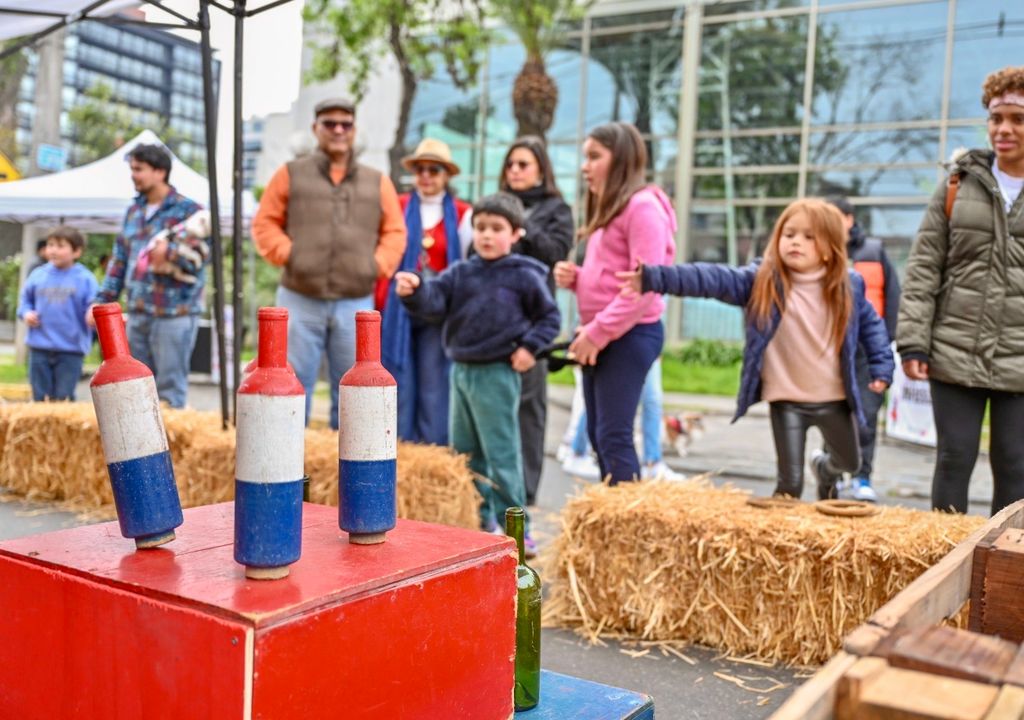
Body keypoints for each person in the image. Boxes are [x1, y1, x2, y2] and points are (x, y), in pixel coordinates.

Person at [618, 198, 894, 500]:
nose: (795, 243)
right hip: (786, 399)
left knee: (848, 463)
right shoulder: (762, 281)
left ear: (829, 247)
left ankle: (824, 470)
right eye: (788, 235)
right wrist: (655, 277)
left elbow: (873, 328)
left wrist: (882, 366)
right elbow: (710, 279)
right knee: (789, 484)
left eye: (808, 236)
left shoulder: (848, 286)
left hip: (833, 399)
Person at [395, 193, 560, 557]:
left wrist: (529, 348)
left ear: (515, 233)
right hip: (462, 373)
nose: (486, 235)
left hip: (497, 375)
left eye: (496, 229)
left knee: (501, 453)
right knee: (466, 453)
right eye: (480, 227)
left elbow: (550, 318)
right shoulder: (461, 273)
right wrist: (416, 291)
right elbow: (435, 300)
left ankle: (518, 527)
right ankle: (480, 518)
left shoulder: (526, 275)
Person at [898, 66, 1024, 515]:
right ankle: (942, 565)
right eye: (996, 118)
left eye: (1017, 118)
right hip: (954, 349)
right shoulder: (956, 185)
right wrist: (914, 339)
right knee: (954, 459)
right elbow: (923, 267)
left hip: (1019, 359)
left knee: (1015, 466)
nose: (1004, 129)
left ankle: (1005, 570)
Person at [253, 97, 407, 428]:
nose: (338, 130)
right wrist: (291, 255)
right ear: (315, 129)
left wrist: (375, 266)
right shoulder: (290, 174)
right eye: (330, 124)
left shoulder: (377, 180)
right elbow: (264, 223)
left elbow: (395, 231)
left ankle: (347, 473)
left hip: (355, 302)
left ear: (354, 130)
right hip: (299, 297)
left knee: (354, 391)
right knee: (291, 386)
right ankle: (292, 466)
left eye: (345, 124)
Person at [553, 122, 675, 484]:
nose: (584, 166)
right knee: (600, 438)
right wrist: (579, 279)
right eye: (584, 157)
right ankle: (613, 526)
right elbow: (616, 276)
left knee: (614, 436)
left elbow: (646, 286)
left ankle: (629, 531)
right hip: (606, 334)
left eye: (594, 156)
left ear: (620, 159)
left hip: (629, 335)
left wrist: (598, 332)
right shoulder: (613, 208)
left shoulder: (642, 208)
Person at [90, 143, 205, 408]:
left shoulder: (189, 211)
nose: (133, 175)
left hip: (174, 314)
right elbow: (119, 261)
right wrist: (101, 301)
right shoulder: (133, 211)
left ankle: (172, 446)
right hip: (138, 312)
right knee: (137, 389)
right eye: (132, 169)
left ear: (160, 171)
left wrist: (172, 252)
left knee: (169, 391)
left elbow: (203, 256)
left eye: (139, 169)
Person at [380, 138, 472, 445]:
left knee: (434, 383)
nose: (426, 176)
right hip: (399, 309)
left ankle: (431, 448)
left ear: (446, 174)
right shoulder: (399, 206)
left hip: (438, 310)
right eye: (420, 169)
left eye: (434, 169)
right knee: (399, 379)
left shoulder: (462, 213)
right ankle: (398, 446)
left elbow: (466, 263)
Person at [499, 136, 574, 504]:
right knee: (495, 409)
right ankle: (494, 490)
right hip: (494, 321)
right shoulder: (496, 206)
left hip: (532, 323)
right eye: (510, 164)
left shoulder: (556, 209)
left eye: (523, 164)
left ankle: (524, 495)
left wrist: (523, 226)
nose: (514, 170)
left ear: (541, 169)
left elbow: (556, 253)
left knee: (528, 411)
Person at [828, 197, 901, 503]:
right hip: (830, 348)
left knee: (866, 416)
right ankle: (831, 476)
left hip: (867, 350)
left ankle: (862, 477)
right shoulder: (818, 251)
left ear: (849, 218)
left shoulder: (874, 251)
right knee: (831, 414)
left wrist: (887, 341)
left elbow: (894, 297)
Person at [17, 226, 99, 402]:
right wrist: (26, 313)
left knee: (64, 397)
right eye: (50, 244)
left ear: (76, 251)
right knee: (39, 397)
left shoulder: (85, 278)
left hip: (71, 349)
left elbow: (94, 305)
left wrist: (92, 313)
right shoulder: (37, 275)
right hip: (39, 347)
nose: (53, 249)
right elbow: (24, 303)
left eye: (60, 246)